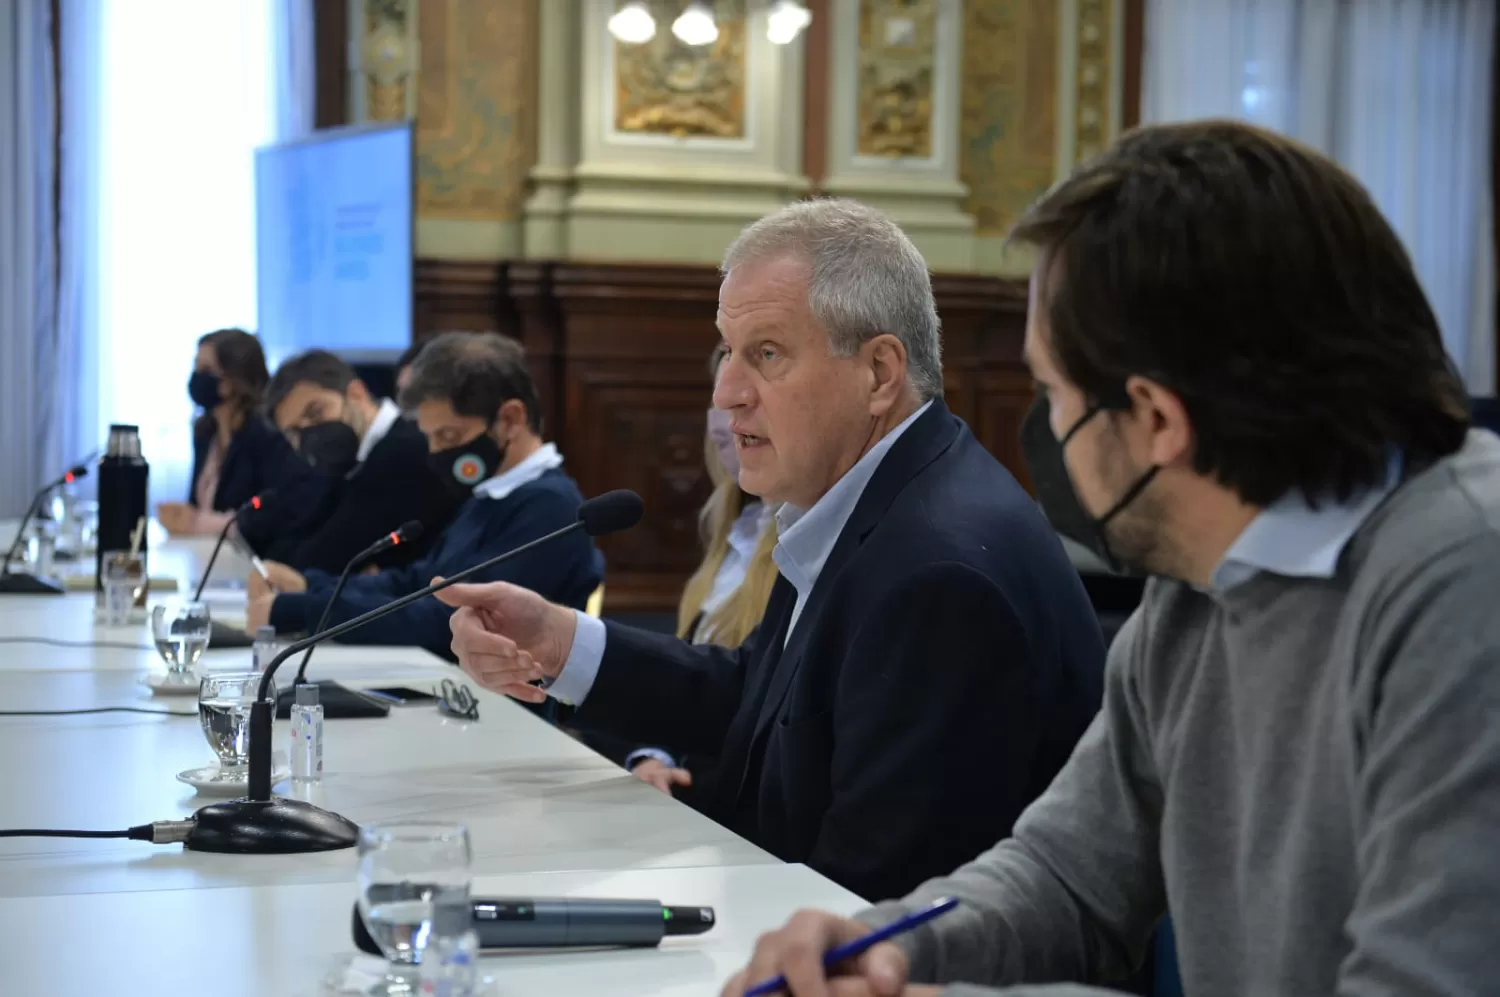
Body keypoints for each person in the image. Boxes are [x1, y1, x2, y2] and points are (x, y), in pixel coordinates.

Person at [721, 121, 1500, 997]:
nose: (1045, 430)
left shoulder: (1465, 584)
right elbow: (1063, 874)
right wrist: (888, 944)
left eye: (1053, 393)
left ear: (1158, 421)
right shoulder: (1199, 585)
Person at [440, 199, 1107, 903]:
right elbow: (758, 698)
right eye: (729, 350)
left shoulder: (938, 574)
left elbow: (865, 901)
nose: (726, 393)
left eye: (767, 353)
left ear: (879, 372)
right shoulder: (866, 496)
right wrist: (558, 640)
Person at [246, 332, 604, 669]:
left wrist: (301, 610)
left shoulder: (548, 508)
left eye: (449, 435)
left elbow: (446, 622)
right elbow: (419, 583)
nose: (434, 454)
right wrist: (314, 586)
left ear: (510, 419)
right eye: (430, 437)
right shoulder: (491, 493)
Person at [606, 346, 780, 800]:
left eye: (739, 403)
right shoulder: (729, 526)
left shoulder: (805, 543)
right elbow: (690, 680)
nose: (722, 423)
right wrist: (654, 758)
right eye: (716, 402)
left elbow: (740, 697)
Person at [261, 349, 463, 573]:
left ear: (356, 394)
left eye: (316, 412)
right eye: (295, 431)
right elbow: (292, 544)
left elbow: (328, 558)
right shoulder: (351, 458)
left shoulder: (403, 451)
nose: (310, 432)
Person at [157, 328, 316, 537]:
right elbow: (197, 506)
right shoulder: (204, 433)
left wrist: (196, 522)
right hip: (205, 552)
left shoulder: (265, 436)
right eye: (195, 366)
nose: (197, 377)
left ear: (233, 378)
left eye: (206, 369)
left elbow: (269, 516)